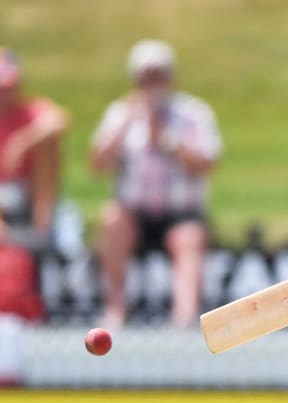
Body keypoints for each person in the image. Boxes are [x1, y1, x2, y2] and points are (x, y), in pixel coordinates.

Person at [90, 39, 222, 327]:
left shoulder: (193, 113)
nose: (152, 84)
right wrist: (125, 124)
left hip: (181, 212)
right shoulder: (120, 113)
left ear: (170, 77)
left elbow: (208, 163)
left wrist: (169, 141)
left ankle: (184, 318)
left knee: (188, 238)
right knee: (111, 221)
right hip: (134, 212)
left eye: (158, 76)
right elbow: (98, 165)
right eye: (145, 77)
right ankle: (115, 308)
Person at [0, 48, 67, 251]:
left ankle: (42, 223)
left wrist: (22, 142)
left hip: (28, 189)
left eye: (8, 88)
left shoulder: (33, 110)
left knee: (49, 145)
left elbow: (59, 122)